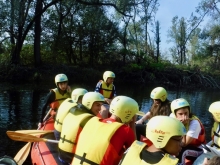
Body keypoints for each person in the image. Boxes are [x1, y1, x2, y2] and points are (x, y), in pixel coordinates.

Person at [71, 96, 144, 165]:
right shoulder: (126, 130)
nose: (131, 119)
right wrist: (132, 125)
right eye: (132, 116)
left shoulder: (95, 121)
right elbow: (135, 151)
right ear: (127, 114)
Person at [58, 92, 105, 164]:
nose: (100, 109)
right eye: (97, 105)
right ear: (89, 104)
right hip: (72, 157)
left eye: (101, 105)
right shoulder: (88, 120)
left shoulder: (73, 110)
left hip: (62, 154)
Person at [120, 116, 186, 165]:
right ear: (164, 139)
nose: (181, 143)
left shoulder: (131, 149)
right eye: (179, 140)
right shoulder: (173, 163)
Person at [170, 98, 206, 165]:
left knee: (182, 151)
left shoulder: (195, 123)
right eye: (180, 114)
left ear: (189, 111)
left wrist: (181, 125)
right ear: (175, 114)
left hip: (198, 149)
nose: (184, 117)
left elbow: (184, 144)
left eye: (186, 113)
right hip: (183, 144)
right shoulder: (172, 117)